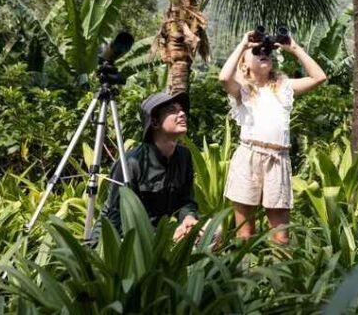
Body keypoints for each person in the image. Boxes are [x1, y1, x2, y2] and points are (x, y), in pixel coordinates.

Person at [218, 30, 327, 244]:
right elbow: (223, 77)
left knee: (280, 235)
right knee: (245, 233)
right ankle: (245, 274)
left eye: (266, 51)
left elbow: (319, 77)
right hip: (249, 155)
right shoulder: (243, 90)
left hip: (277, 158)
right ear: (244, 64)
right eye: (256, 52)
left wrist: (294, 48)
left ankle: (280, 274)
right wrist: (243, 45)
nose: (262, 53)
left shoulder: (284, 86)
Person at [100, 92, 199, 242]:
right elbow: (117, 219)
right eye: (172, 110)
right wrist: (165, 238)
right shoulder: (131, 163)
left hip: (158, 240)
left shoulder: (184, 156)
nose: (182, 114)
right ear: (154, 123)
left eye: (182, 110)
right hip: (120, 243)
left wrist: (188, 218)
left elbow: (185, 200)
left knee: (214, 234)